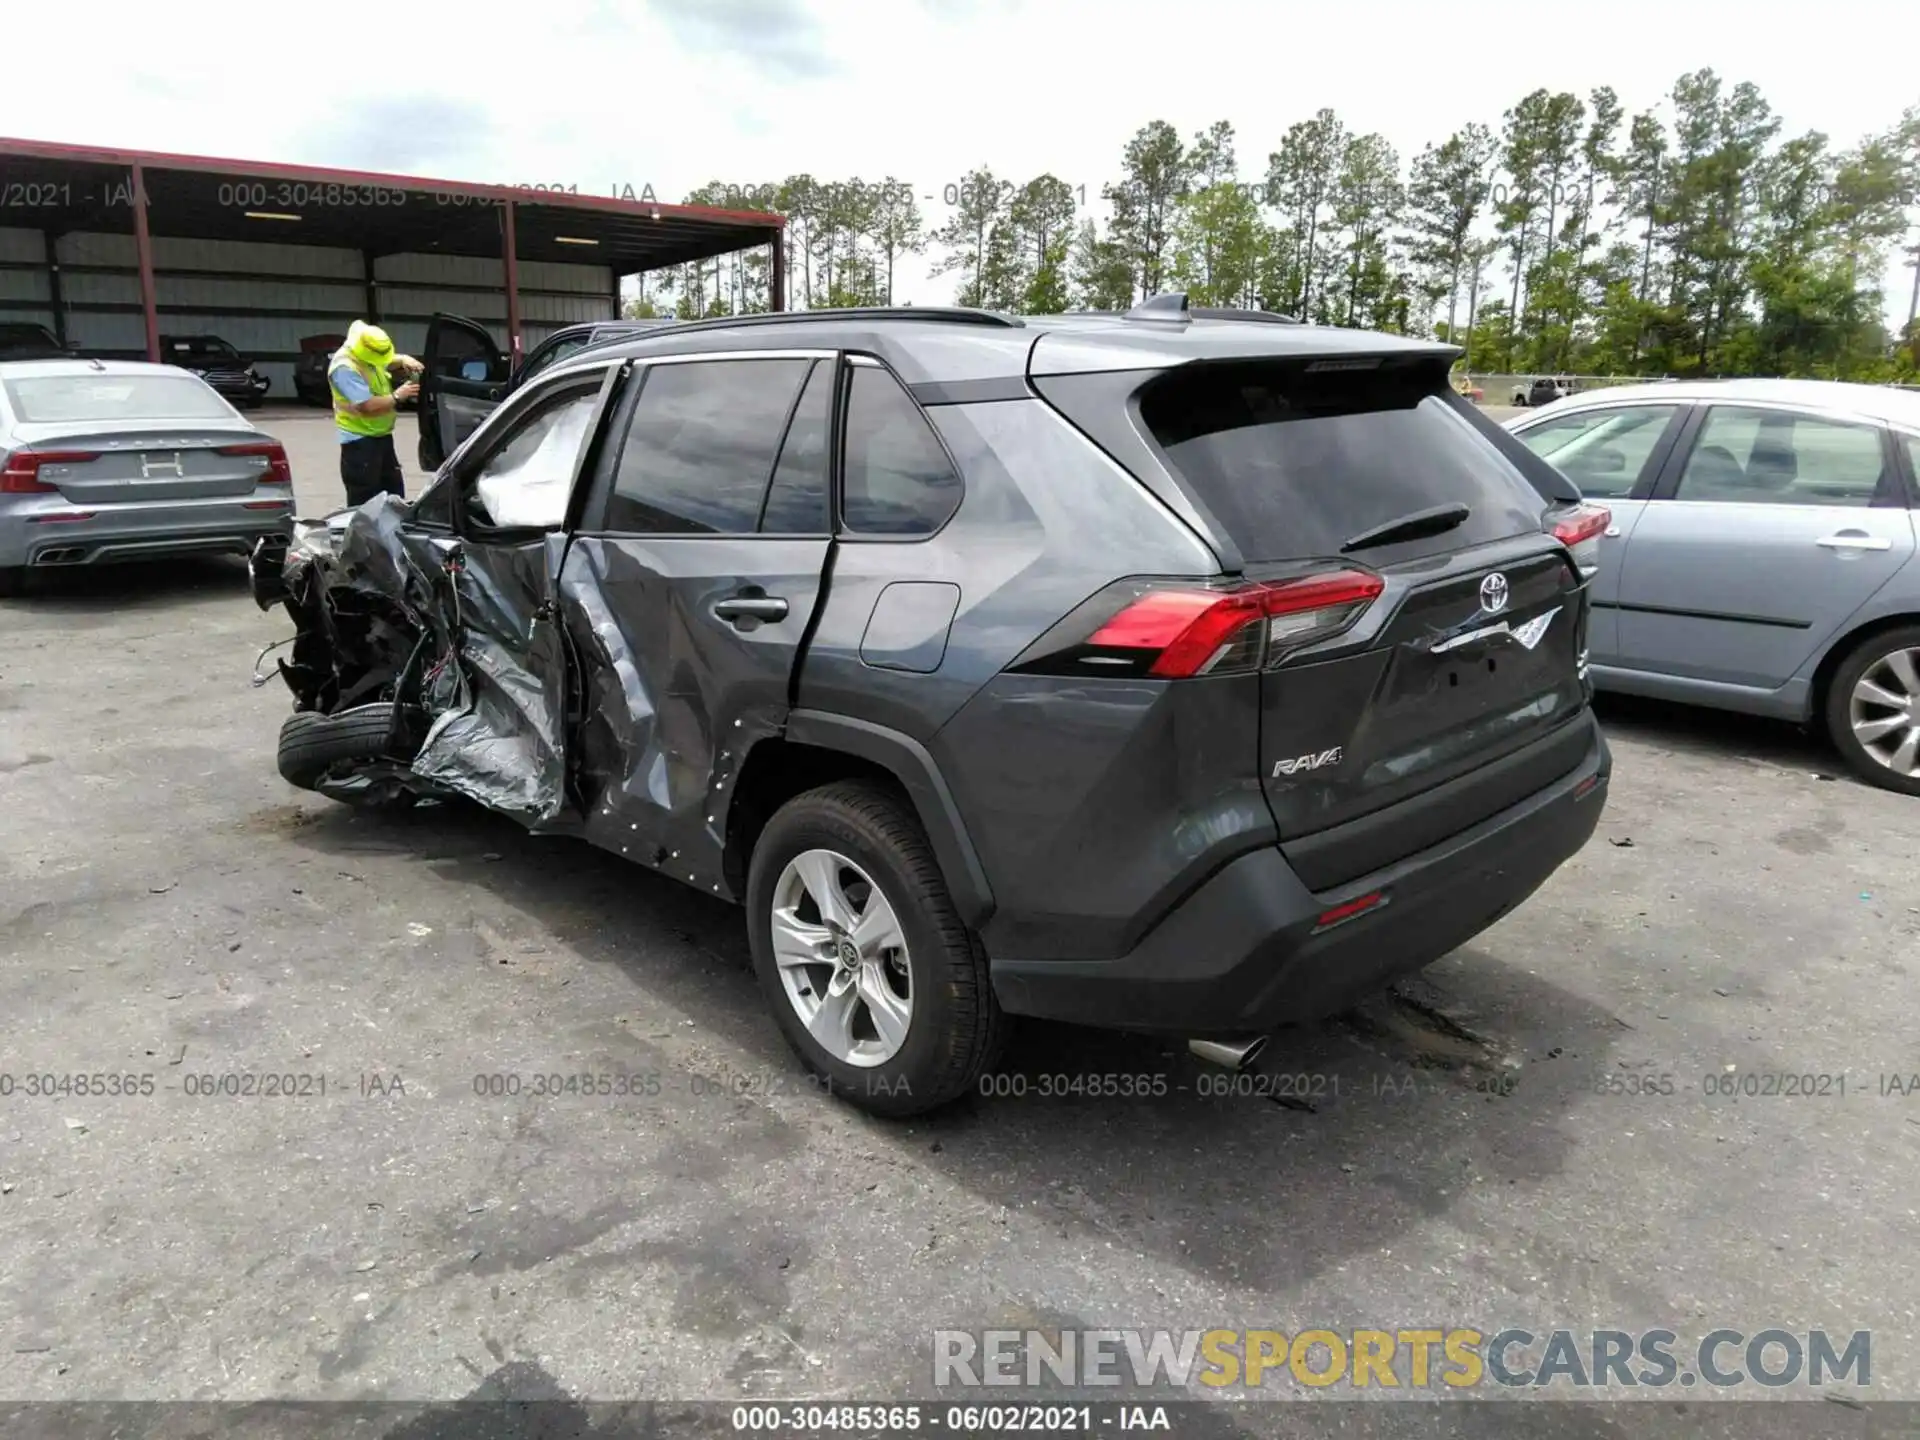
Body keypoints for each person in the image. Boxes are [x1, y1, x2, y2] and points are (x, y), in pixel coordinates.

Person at [329, 320, 425, 506]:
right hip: (359, 440)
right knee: (366, 502)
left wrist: (403, 358)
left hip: (380, 435)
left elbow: (382, 360)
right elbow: (366, 405)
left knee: (393, 496)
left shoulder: (363, 347)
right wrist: (398, 396)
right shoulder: (345, 369)